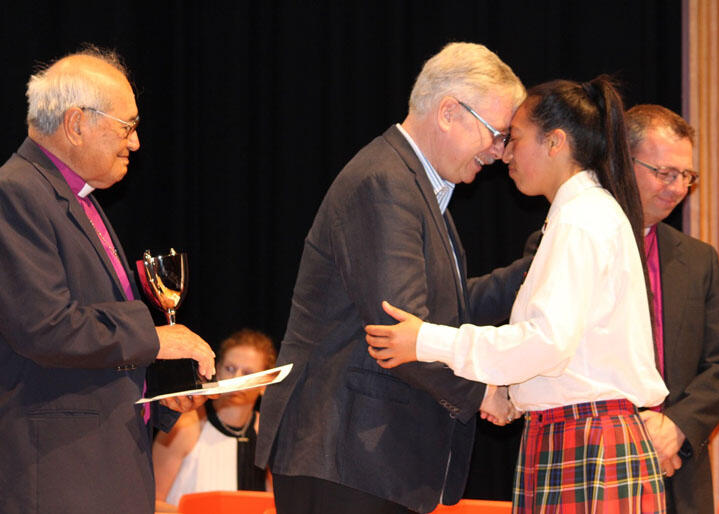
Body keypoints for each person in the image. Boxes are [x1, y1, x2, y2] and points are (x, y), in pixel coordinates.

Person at [366, 76, 670, 513]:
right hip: (572, 433)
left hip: (585, 440)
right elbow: (562, 347)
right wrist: (509, 391)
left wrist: (426, 340)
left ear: (555, 142)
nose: (505, 153)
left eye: (516, 138)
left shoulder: (581, 220)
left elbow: (546, 342)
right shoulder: (580, 215)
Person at [255, 42, 530, 514]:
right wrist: (484, 391)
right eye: (496, 133)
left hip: (364, 460)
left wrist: (534, 273)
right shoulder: (385, 182)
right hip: (343, 454)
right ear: (448, 112)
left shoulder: (415, 184)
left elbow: (447, 309)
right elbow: (398, 330)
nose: (499, 151)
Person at [0, 46, 216, 514]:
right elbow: (44, 326)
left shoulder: (78, 197)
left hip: (102, 467)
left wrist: (154, 396)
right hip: (60, 476)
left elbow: (92, 350)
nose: (135, 143)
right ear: (77, 124)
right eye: (127, 126)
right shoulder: (16, 191)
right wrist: (156, 339)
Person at [626, 104, 719, 514]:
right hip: (600, 467)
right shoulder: (567, 241)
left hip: (681, 478)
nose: (677, 188)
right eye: (665, 174)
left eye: (686, 176)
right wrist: (637, 435)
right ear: (624, 162)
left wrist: (675, 427)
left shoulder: (698, 259)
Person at [153, 328, 277, 511]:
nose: (236, 379)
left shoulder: (268, 434)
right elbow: (148, 503)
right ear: (217, 371)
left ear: (265, 384)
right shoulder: (186, 426)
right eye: (230, 369)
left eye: (247, 373)